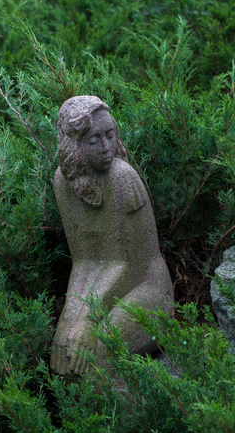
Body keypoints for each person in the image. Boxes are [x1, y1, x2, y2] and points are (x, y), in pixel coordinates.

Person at [50, 95, 173, 377]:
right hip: (102, 289)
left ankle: (125, 419)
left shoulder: (123, 178)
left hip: (146, 290)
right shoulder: (63, 182)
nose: (106, 148)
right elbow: (82, 263)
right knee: (65, 361)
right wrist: (69, 320)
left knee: (97, 353)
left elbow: (135, 265)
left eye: (110, 135)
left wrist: (89, 320)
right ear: (74, 145)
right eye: (94, 140)